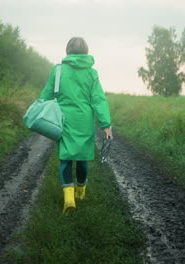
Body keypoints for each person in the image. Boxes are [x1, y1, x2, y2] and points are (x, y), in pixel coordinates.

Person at [39, 37, 113, 213]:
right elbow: (98, 100)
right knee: (81, 158)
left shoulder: (57, 70)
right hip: (84, 121)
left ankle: (69, 198)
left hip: (63, 120)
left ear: (68, 50)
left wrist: (38, 110)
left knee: (65, 157)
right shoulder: (92, 73)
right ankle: (81, 192)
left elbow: (46, 94)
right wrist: (105, 125)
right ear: (86, 51)